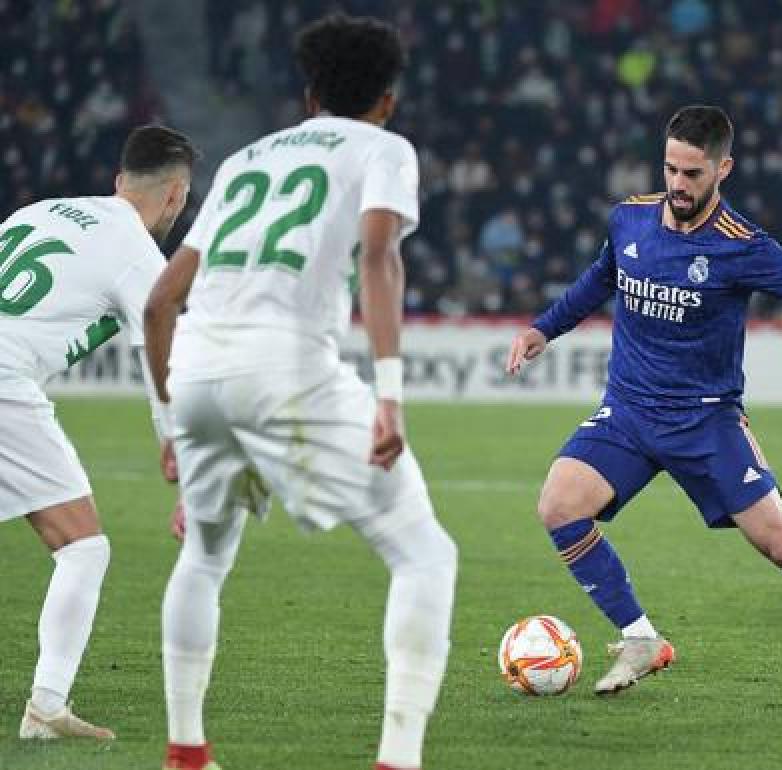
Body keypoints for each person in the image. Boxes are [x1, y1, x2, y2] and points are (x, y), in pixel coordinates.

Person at [506, 105, 782, 701]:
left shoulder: (742, 245)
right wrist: (542, 330)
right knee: (559, 505)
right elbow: (600, 279)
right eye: (670, 169)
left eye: (692, 174)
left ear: (723, 168)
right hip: (629, 411)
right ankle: (641, 637)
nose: (677, 185)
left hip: (706, 420)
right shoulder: (630, 220)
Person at [143, 15, 456, 770]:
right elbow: (380, 256)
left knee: (206, 556)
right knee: (424, 556)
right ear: (388, 97)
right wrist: (390, 393)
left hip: (197, 373)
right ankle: (398, 759)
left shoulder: (248, 159)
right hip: (284, 368)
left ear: (310, 93)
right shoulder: (384, 148)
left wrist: (168, 424)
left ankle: (187, 752)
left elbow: (159, 303)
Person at [0, 124, 195, 740]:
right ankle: (46, 708)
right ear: (177, 198)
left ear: (118, 182)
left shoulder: (43, 210)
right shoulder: (138, 253)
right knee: (83, 547)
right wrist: (176, 446)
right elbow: (158, 354)